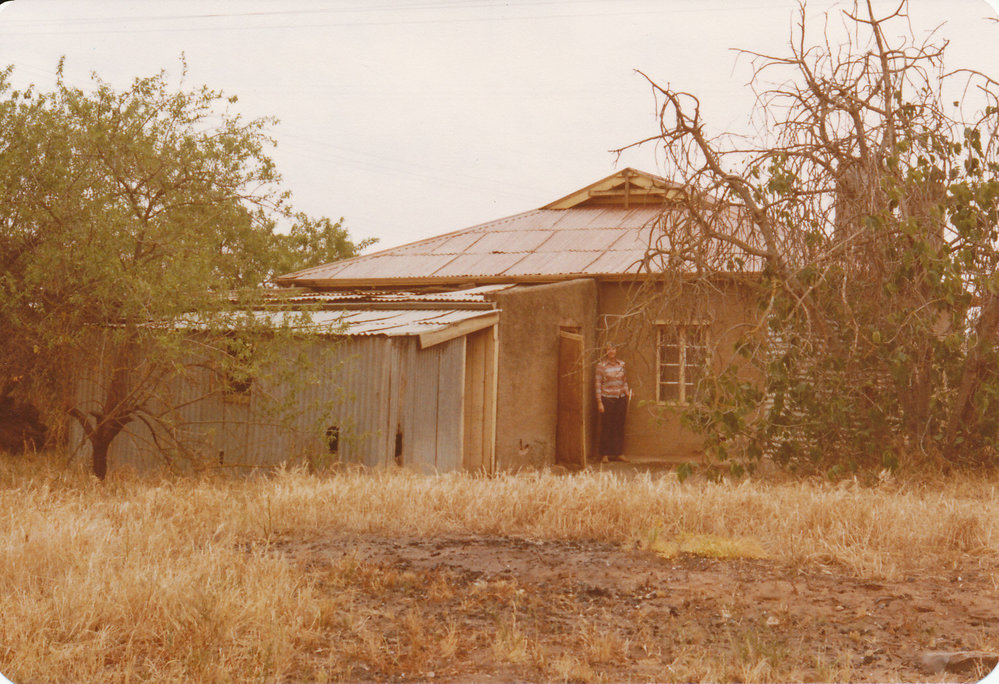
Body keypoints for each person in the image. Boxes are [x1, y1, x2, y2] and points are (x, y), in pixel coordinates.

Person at [595, 343, 631, 463]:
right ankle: (604, 454)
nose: (611, 351)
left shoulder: (621, 364)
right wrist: (600, 402)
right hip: (607, 399)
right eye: (609, 349)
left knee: (619, 426)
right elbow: (598, 385)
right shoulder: (601, 366)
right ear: (606, 351)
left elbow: (624, 381)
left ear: (616, 350)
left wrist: (627, 391)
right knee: (607, 426)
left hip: (620, 399)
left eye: (613, 348)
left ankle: (618, 453)